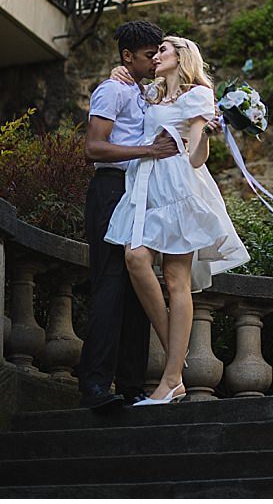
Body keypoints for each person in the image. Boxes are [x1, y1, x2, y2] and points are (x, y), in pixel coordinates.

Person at [104, 36, 249, 405]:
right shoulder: (150, 93)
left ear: (181, 57)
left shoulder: (198, 95)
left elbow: (197, 157)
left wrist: (206, 137)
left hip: (179, 185)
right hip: (144, 183)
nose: (156, 56)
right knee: (135, 258)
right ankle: (176, 356)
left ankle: (171, 379)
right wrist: (117, 71)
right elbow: (135, 108)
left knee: (175, 279)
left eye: (163, 50)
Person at [76, 21, 182, 411]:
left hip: (140, 194)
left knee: (139, 289)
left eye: (158, 53)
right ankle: (95, 386)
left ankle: (133, 384)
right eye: (147, 54)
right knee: (109, 285)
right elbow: (93, 148)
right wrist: (147, 151)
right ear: (126, 57)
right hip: (110, 191)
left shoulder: (143, 92)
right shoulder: (112, 89)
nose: (155, 59)